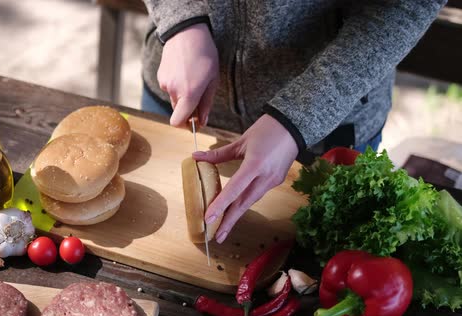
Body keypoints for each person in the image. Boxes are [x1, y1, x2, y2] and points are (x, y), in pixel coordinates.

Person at [140, 0, 446, 244]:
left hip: (323, 117)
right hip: (181, 90)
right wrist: (180, 18)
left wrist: (298, 115)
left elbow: (407, 5)